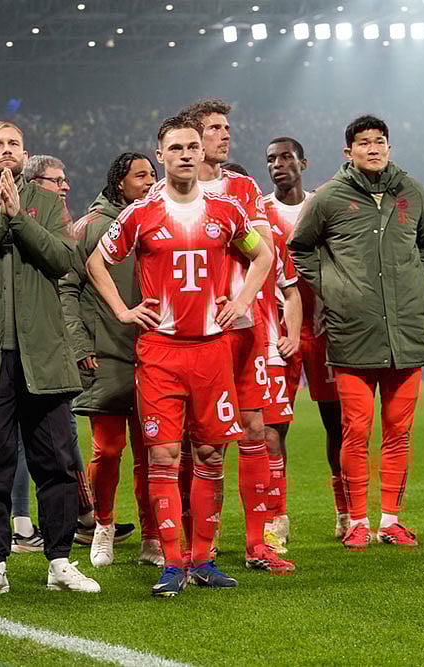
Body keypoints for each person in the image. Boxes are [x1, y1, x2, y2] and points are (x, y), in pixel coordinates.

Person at [87, 113, 272, 597]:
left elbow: (264, 255)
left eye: (193, 146)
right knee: (165, 455)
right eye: (177, 147)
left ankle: (205, 558)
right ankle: (173, 562)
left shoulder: (228, 210)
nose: (187, 154)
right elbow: (95, 261)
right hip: (162, 352)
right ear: (162, 154)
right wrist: (124, 311)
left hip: (213, 350)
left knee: (211, 453)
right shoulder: (140, 213)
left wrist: (244, 299)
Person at [0, 121, 99, 599]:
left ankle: (59, 560)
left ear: (23, 152)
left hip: (45, 354)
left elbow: (62, 261)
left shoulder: (49, 204)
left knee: (55, 463)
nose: (5, 150)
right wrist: (1, 219)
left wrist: (21, 218)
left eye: (13, 144)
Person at [289, 114, 424, 549]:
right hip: (352, 332)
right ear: (347, 152)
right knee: (357, 429)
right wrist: (333, 288)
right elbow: (300, 248)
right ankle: (356, 521)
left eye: (380, 141)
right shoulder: (329, 197)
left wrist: (409, 277)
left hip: (405, 332)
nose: (373, 148)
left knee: (399, 430)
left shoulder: (412, 191)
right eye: (364, 142)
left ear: (389, 147)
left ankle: (389, 519)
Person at [177, 99, 293, 573]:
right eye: (214, 129)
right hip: (191, 334)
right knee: (198, 442)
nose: (225, 136)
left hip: (243, 329)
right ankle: (198, 544)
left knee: (254, 433)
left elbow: (260, 251)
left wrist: (241, 301)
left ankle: (257, 543)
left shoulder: (243, 187)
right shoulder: (170, 195)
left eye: (227, 128)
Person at [61, 152, 159, 568]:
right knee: (109, 449)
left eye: (153, 175)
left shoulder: (161, 220)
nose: (150, 181)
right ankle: (102, 527)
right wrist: (81, 345)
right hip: (108, 354)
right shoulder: (91, 227)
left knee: (153, 451)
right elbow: (66, 290)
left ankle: (153, 535)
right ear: (119, 182)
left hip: (156, 353)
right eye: (141, 175)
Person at [15, 154, 106, 552]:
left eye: (66, 179)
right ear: (35, 184)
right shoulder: (29, 221)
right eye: (56, 180)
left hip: (52, 343)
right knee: (37, 438)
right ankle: (32, 525)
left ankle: (79, 517)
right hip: (36, 342)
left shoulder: (59, 220)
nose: (65, 186)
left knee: (56, 436)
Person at [260, 138, 312, 548]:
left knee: (333, 420)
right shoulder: (259, 214)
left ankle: (349, 516)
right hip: (261, 332)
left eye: (285, 157)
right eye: (270, 160)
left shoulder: (321, 205)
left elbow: (290, 287)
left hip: (312, 328)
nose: (278, 165)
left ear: (302, 163)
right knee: (249, 432)